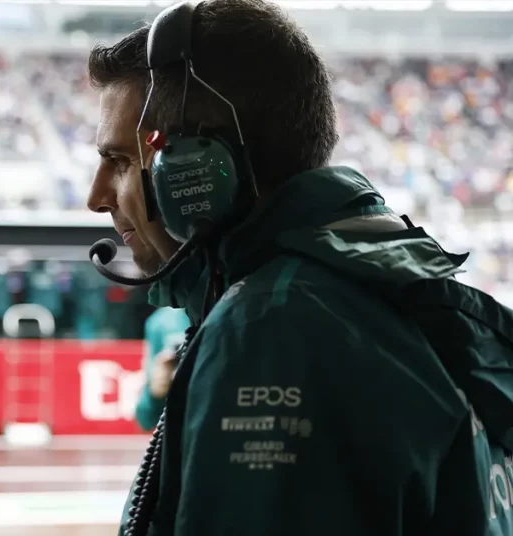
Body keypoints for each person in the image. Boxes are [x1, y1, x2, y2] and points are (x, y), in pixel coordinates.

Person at [86, 1, 513, 535]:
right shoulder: (382, 289)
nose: (96, 196)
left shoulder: (270, 327)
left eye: (121, 161)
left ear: (196, 171)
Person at [134, 307, 188, 431]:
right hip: (177, 414)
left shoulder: (223, 313)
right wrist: (156, 392)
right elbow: (145, 419)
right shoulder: (160, 321)